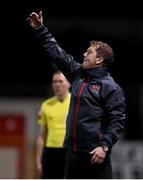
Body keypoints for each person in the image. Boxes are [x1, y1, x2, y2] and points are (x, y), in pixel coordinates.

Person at [27, 11, 126, 179]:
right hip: (72, 153)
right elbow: (57, 53)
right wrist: (40, 29)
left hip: (95, 154)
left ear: (99, 59)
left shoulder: (110, 87)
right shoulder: (78, 74)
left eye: (89, 52)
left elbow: (117, 122)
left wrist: (105, 147)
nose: (84, 55)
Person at [36, 71, 71, 179]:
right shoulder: (46, 105)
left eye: (60, 81)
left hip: (68, 151)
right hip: (50, 151)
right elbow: (42, 136)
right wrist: (38, 159)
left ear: (68, 84)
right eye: (55, 82)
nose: (57, 85)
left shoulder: (75, 102)